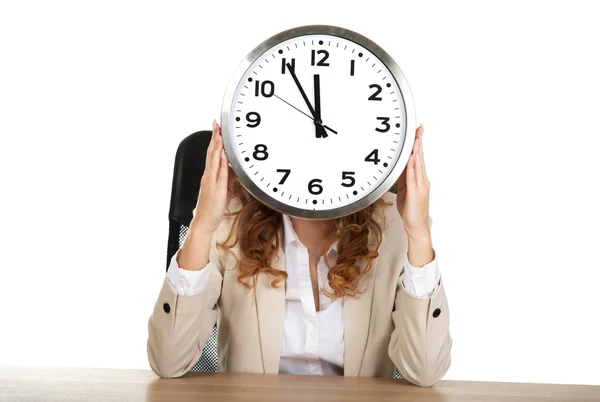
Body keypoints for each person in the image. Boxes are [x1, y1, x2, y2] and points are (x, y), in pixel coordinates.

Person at [147, 121, 452, 387]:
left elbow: (424, 370)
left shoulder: (394, 224)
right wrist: (201, 227)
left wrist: (419, 234)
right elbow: (169, 361)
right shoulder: (229, 219)